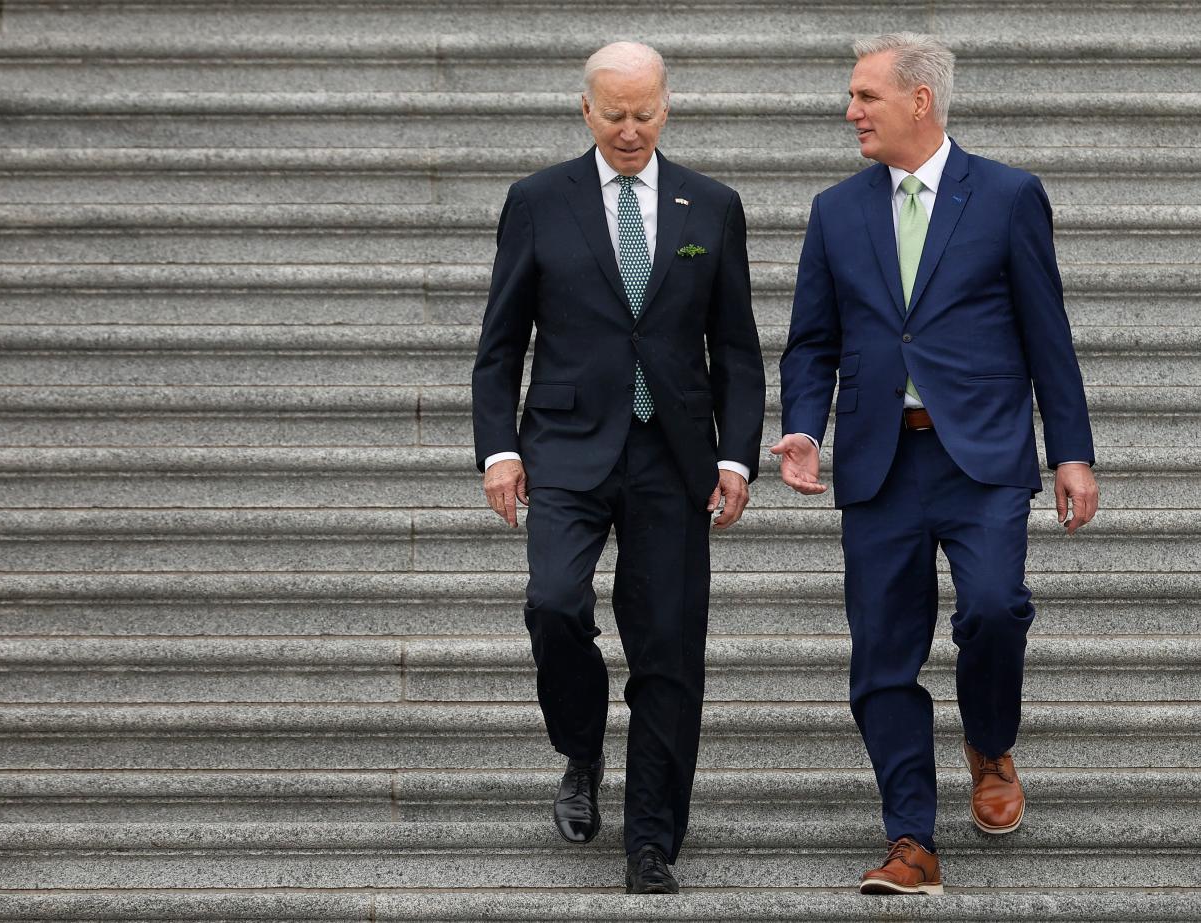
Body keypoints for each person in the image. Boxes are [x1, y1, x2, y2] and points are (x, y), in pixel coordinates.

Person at [772, 32, 1099, 895]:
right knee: (882, 654)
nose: (850, 113)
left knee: (994, 609)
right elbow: (811, 342)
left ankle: (989, 741)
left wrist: (1070, 449)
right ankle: (911, 836)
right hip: (880, 463)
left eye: (864, 97)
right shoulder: (836, 210)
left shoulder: (1006, 196)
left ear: (920, 100)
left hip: (981, 455)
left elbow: (1047, 334)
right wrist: (804, 425)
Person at [471, 41, 764, 894]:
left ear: (666, 107)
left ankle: (651, 839)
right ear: (586, 111)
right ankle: (583, 743)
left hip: (674, 453)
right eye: (614, 115)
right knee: (554, 604)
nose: (630, 131)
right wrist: (500, 447)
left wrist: (737, 454)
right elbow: (500, 344)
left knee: (669, 644)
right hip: (564, 444)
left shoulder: (710, 205)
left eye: (645, 114)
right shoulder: (537, 201)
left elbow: (737, 351)